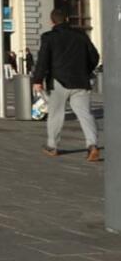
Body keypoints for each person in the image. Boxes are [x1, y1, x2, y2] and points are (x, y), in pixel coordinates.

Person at [33, 9, 101, 161]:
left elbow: (43, 60)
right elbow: (95, 56)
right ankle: (93, 145)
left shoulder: (49, 37)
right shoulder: (81, 36)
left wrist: (37, 80)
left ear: (52, 21)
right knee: (85, 114)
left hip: (59, 81)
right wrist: (86, 70)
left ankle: (52, 146)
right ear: (68, 19)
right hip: (80, 81)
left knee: (56, 114)